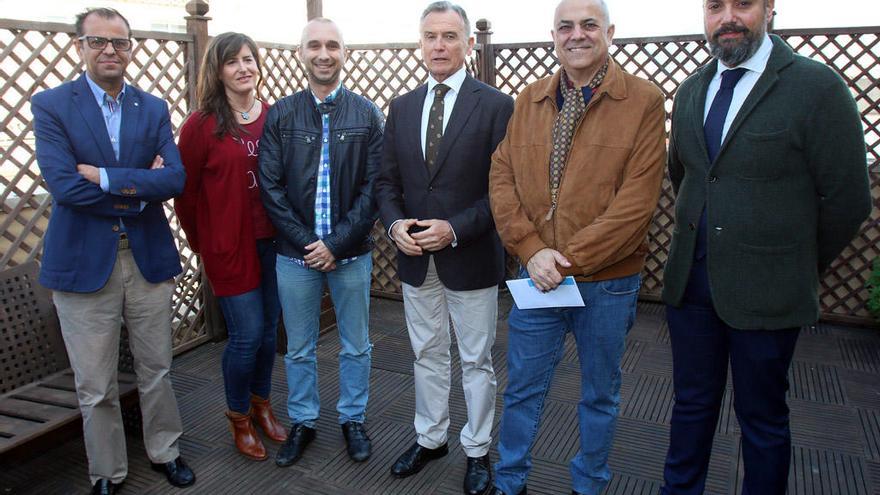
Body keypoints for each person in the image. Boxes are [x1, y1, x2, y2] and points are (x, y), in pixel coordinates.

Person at [659, 1, 872, 493]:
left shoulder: (816, 87)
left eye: (743, 4)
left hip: (770, 293)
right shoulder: (692, 89)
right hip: (691, 286)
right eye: (715, 6)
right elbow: (688, 176)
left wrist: (794, 263)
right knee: (690, 407)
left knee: (763, 418)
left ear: (770, 9)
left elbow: (848, 199)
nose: (728, 17)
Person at [488, 0, 667, 492]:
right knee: (522, 390)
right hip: (536, 276)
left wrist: (564, 261)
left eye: (589, 25)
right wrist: (531, 251)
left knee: (600, 395)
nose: (577, 35)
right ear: (553, 35)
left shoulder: (644, 101)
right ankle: (510, 482)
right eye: (566, 26)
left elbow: (638, 201)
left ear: (610, 32)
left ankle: (588, 484)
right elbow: (501, 175)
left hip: (607, 283)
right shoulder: (529, 100)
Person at [30, 7, 195, 495]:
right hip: (83, 264)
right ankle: (107, 471)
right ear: (79, 46)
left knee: (157, 368)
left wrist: (103, 177)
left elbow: (176, 179)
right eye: (98, 41)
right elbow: (64, 188)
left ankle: (166, 450)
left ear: (130, 48)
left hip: (145, 258)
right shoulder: (52, 105)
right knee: (96, 384)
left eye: (119, 42)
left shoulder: (153, 107)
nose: (109, 51)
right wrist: (143, 186)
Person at [375, 2, 514, 494]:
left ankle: (477, 449)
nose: (439, 45)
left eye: (450, 36)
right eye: (431, 36)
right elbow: (386, 181)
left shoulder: (497, 105)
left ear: (468, 45)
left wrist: (453, 229)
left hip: (469, 255)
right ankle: (430, 437)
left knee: (476, 360)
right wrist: (394, 226)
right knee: (426, 353)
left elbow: (503, 192)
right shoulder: (402, 106)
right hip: (415, 259)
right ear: (420, 43)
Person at [258, 18, 384, 468]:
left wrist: (335, 243)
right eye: (315, 45)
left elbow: (375, 188)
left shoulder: (367, 113)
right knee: (299, 347)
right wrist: (311, 243)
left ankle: (353, 418)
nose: (324, 53)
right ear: (301, 54)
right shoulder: (282, 114)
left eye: (332, 45)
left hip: (351, 255)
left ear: (344, 53)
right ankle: (304, 421)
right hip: (296, 256)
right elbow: (270, 187)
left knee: (356, 344)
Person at [175, 32, 287, 462]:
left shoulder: (274, 116)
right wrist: (203, 245)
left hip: (275, 244)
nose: (244, 68)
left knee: (267, 335)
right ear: (217, 71)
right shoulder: (201, 126)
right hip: (229, 247)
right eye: (232, 62)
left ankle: (263, 404)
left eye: (249, 59)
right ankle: (239, 417)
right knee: (246, 337)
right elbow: (184, 196)